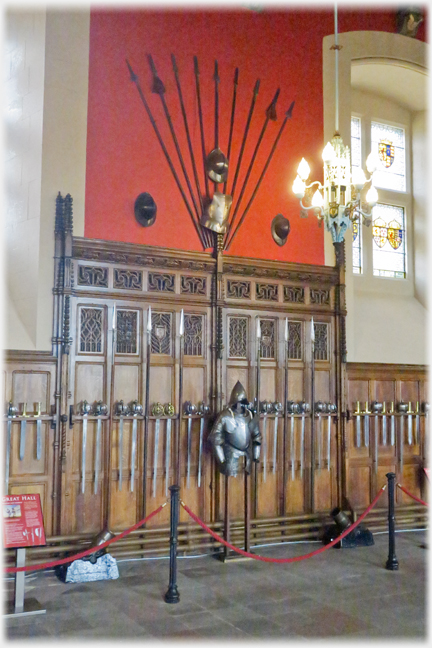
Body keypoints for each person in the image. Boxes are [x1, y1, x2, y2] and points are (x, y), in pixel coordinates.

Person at [208, 381, 261, 477]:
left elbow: (257, 436)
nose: (239, 405)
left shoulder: (251, 415)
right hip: (230, 453)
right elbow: (215, 438)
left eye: (241, 402)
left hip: (247, 453)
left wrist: (256, 455)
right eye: (238, 403)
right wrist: (222, 460)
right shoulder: (225, 416)